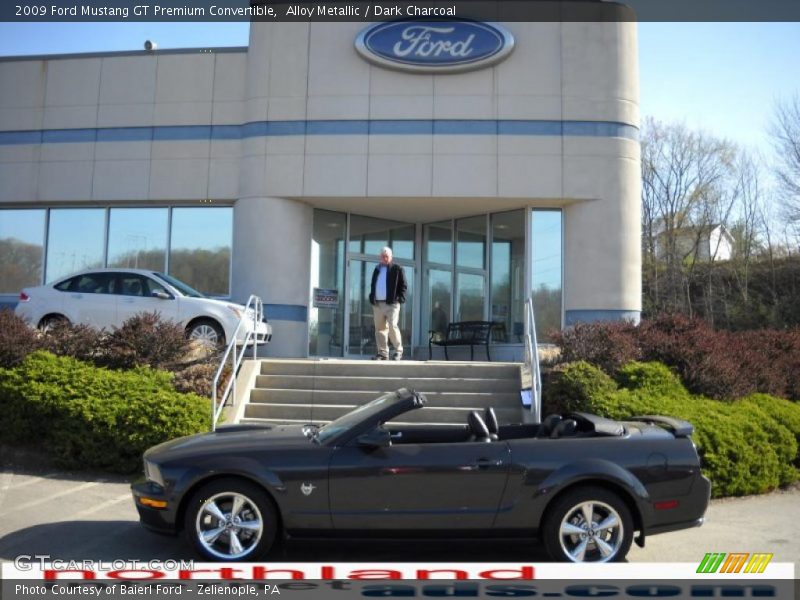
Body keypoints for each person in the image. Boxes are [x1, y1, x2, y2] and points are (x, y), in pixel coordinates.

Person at [369, 246, 407, 360]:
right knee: (380, 329)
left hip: (392, 303)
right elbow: (373, 285)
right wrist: (372, 297)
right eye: (383, 256)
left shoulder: (397, 268)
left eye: (387, 256)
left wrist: (400, 299)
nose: (384, 258)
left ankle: (398, 351)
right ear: (380, 257)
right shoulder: (377, 269)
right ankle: (383, 353)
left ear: (391, 257)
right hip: (377, 304)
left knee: (392, 326)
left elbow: (403, 285)